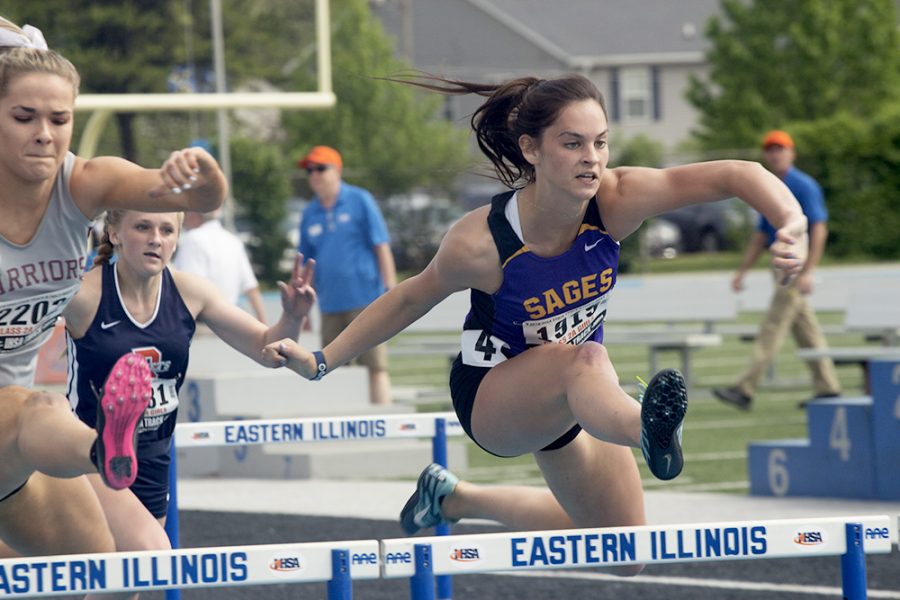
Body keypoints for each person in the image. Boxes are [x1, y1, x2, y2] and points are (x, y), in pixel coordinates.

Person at [266, 74, 809, 560]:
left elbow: (738, 174)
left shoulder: (617, 199)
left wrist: (791, 223)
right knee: (586, 358)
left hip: (579, 396)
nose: (591, 159)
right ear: (532, 150)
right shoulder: (481, 242)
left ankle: (455, 499)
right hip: (493, 398)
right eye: (572, 144)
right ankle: (647, 428)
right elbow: (411, 297)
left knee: (623, 552)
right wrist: (321, 360)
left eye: (599, 143)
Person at [0, 15, 225, 580]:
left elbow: (202, 196)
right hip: (25, 423)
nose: (45, 134)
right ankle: (101, 448)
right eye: (24, 117)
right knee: (40, 408)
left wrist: (201, 173)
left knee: (110, 576)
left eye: (60, 119)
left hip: (13, 450)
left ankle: (106, 453)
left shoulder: (83, 185)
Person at [62, 209, 315, 567]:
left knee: (131, 578)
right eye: (143, 227)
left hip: (152, 454)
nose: (156, 239)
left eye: (167, 230)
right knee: (141, 556)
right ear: (115, 233)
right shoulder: (83, 295)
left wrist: (293, 316)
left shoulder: (191, 292)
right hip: (89, 455)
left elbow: (269, 349)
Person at [713, 130, 841, 410]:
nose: (775, 154)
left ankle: (745, 388)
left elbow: (818, 228)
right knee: (806, 330)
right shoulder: (771, 185)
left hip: (794, 266)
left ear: (791, 152)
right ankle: (829, 387)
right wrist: (742, 271)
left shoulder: (804, 185)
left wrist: (808, 270)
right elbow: (761, 235)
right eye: (770, 150)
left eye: (780, 149)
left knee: (773, 326)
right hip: (780, 266)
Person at [297, 145, 397, 405]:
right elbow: (304, 265)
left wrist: (391, 287)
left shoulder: (359, 199)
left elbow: (381, 245)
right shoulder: (309, 213)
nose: (315, 175)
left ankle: (383, 421)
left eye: (321, 168)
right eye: (310, 170)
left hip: (366, 300)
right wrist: (302, 311)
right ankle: (347, 425)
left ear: (337, 170)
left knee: (375, 366)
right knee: (332, 370)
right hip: (330, 305)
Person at [173, 210, 268, 324]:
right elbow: (251, 288)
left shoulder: (192, 239)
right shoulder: (234, 241)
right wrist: (264, 326)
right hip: (229, 322)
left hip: (201, 322)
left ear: (194, 215)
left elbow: (186, 286)